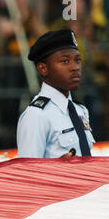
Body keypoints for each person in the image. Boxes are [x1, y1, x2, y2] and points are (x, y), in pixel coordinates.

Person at [17, 28, 95, 158]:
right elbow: (28, 174)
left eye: (77, 60)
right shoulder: (36, 115)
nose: (75, 67)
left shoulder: (80, 110)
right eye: (65, 61)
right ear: (43, 68)